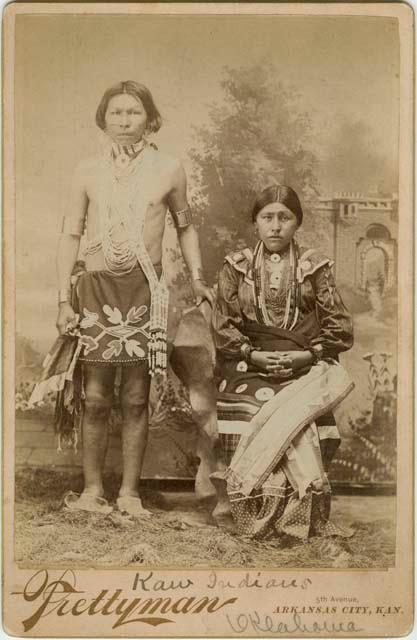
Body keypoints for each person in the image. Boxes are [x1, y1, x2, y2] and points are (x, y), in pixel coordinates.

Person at [30, 80, 230, 520]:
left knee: (136, 398)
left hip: (145, 291)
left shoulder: (169, 168)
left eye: (133, 112)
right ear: (103, 119)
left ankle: (130, 494)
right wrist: (64, 299)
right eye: (116, 112)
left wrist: (197, 278)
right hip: (97, 289)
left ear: (150, 118)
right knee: (97, 397)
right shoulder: (86, 171)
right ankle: (91, 491)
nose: (124, 120)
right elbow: (70, 234)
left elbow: (186, 228)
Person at [211, 184, 354, 540]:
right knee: (257, 406)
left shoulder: (315, 267)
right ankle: (254, 512)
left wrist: (306, 356)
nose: (275, 226)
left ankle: (297, 517)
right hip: (248, 364)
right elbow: (223, 326)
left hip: (305, 364)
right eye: (267, 217)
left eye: (284, 218)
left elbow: (339, 328)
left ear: (297, 223)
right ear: (255, 223)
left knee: (301, 415)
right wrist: (253, 354)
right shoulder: (235, 267)